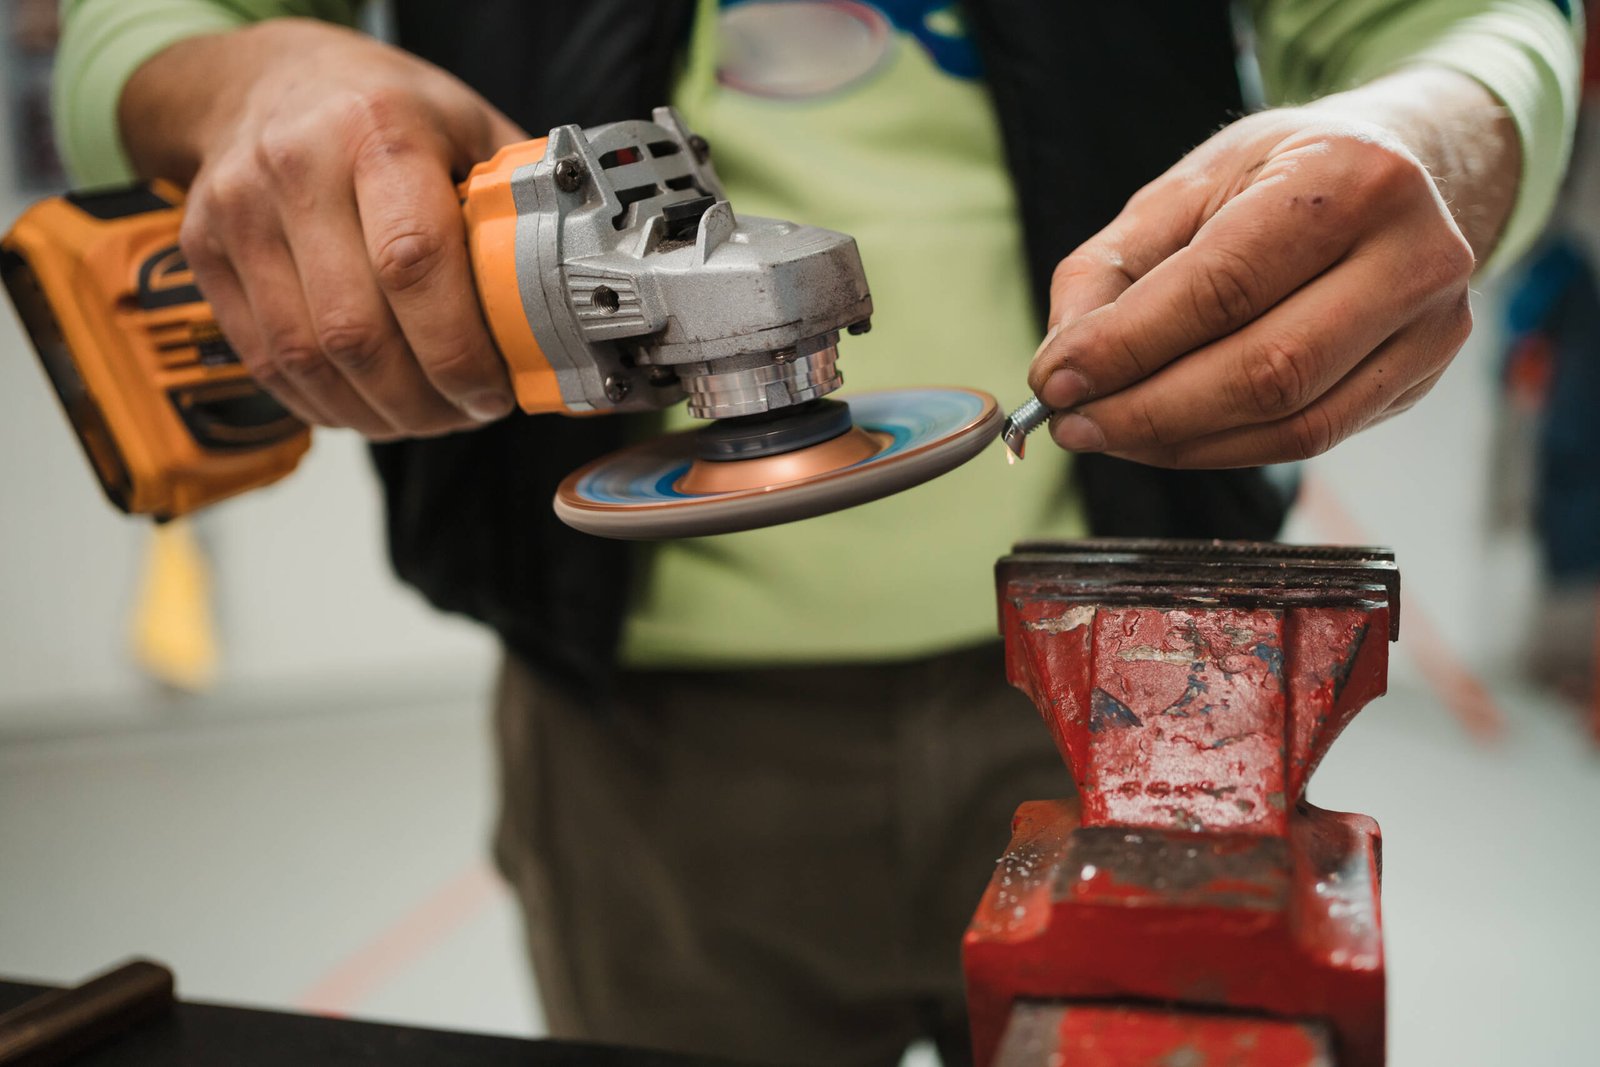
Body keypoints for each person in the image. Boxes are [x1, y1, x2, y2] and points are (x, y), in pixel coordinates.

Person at [54, 1, 1584, 1063]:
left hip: (1150, 687)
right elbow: (149, 21)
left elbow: (1463, 27)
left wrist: (1443, 133)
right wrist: (250, 78)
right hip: (636, 762)